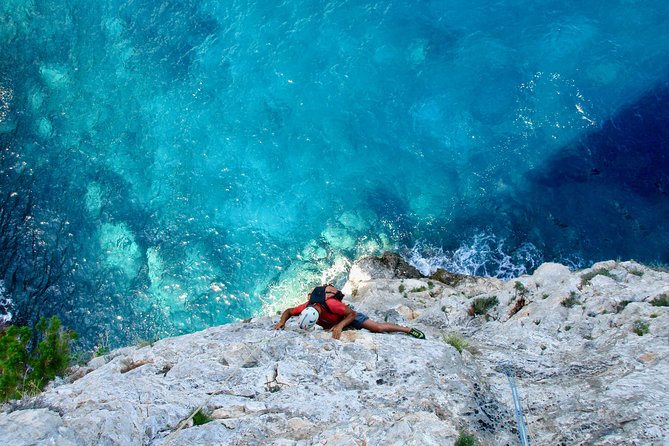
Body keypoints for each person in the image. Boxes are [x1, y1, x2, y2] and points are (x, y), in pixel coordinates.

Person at [274, 285, 426, 340]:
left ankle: (408, 330)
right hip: (333, 322)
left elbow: (351, 314)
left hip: (346, 318)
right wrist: (282, 321)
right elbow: (288, 311)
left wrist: (340, 326)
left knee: (377, 328)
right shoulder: (306, 306)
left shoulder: (332, 304)